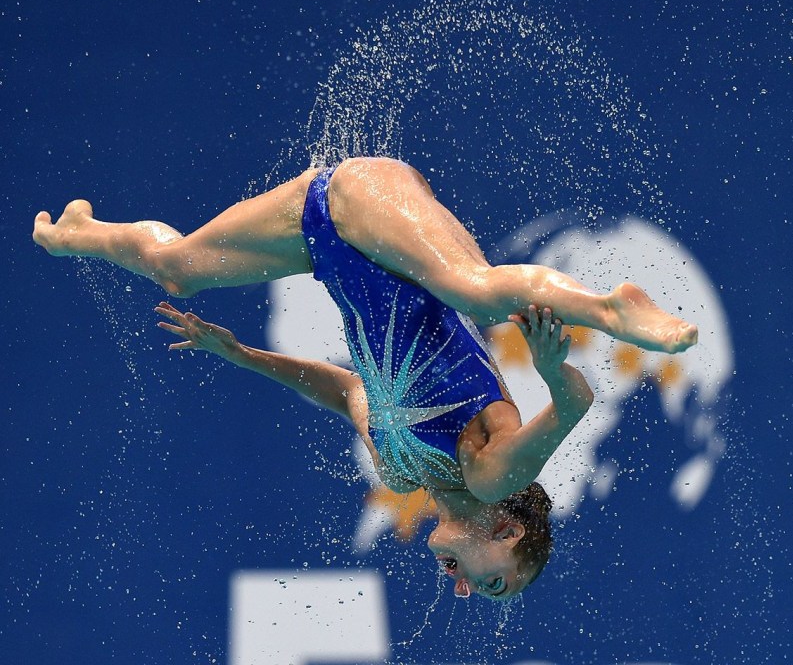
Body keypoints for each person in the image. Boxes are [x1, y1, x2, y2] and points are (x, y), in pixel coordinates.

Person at [33, 157, 698, 597]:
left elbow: (348, 388)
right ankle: (613, 307)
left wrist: (240, 355)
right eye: (493, 583)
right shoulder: (492, 475)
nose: (462, 588)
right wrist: (553, 367)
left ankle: (79, 233)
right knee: (472, 289)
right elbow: (575, 403)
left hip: (322, 229)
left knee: (176, 267)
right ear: (507, 533)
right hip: (370, 206)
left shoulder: (403, 472)